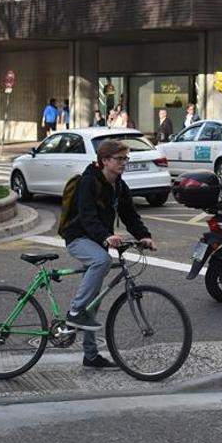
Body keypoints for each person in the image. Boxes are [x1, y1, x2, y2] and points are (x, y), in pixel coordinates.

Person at [60, 139, 157, 368]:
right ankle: (74, 312)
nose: (124, 163)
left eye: (126, 158)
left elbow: (130, 215)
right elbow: (87, 216)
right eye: (119, 159)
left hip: (96, 239)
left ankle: (91, 356)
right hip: (77, 237)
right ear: (105, 161)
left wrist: (145, 236)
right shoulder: (88, 181)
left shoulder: (119, 185)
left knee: (93, 301)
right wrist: (106, 236)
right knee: (102, 260)